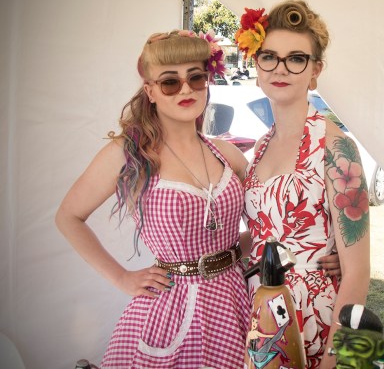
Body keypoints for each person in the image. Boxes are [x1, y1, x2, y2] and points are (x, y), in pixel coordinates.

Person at [55, 30, 251, 368]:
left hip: (235, 302)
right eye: (170, 82)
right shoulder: (129, 154)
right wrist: (121, 277)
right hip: (169, 310)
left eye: (196, 77)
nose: (186, 89)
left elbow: (269, 222)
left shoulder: (227, 153)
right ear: (150, 91)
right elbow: (68, 217)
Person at [237, 0, 371, 368]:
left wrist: (334, 361)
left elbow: (358, 273)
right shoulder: (262, 145)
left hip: (316, 319)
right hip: (262, 314)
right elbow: (265, 233)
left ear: (315, 71)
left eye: (296, 58)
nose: (281, 68)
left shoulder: (335, 147)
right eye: (269, 57)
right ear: (257, 66)